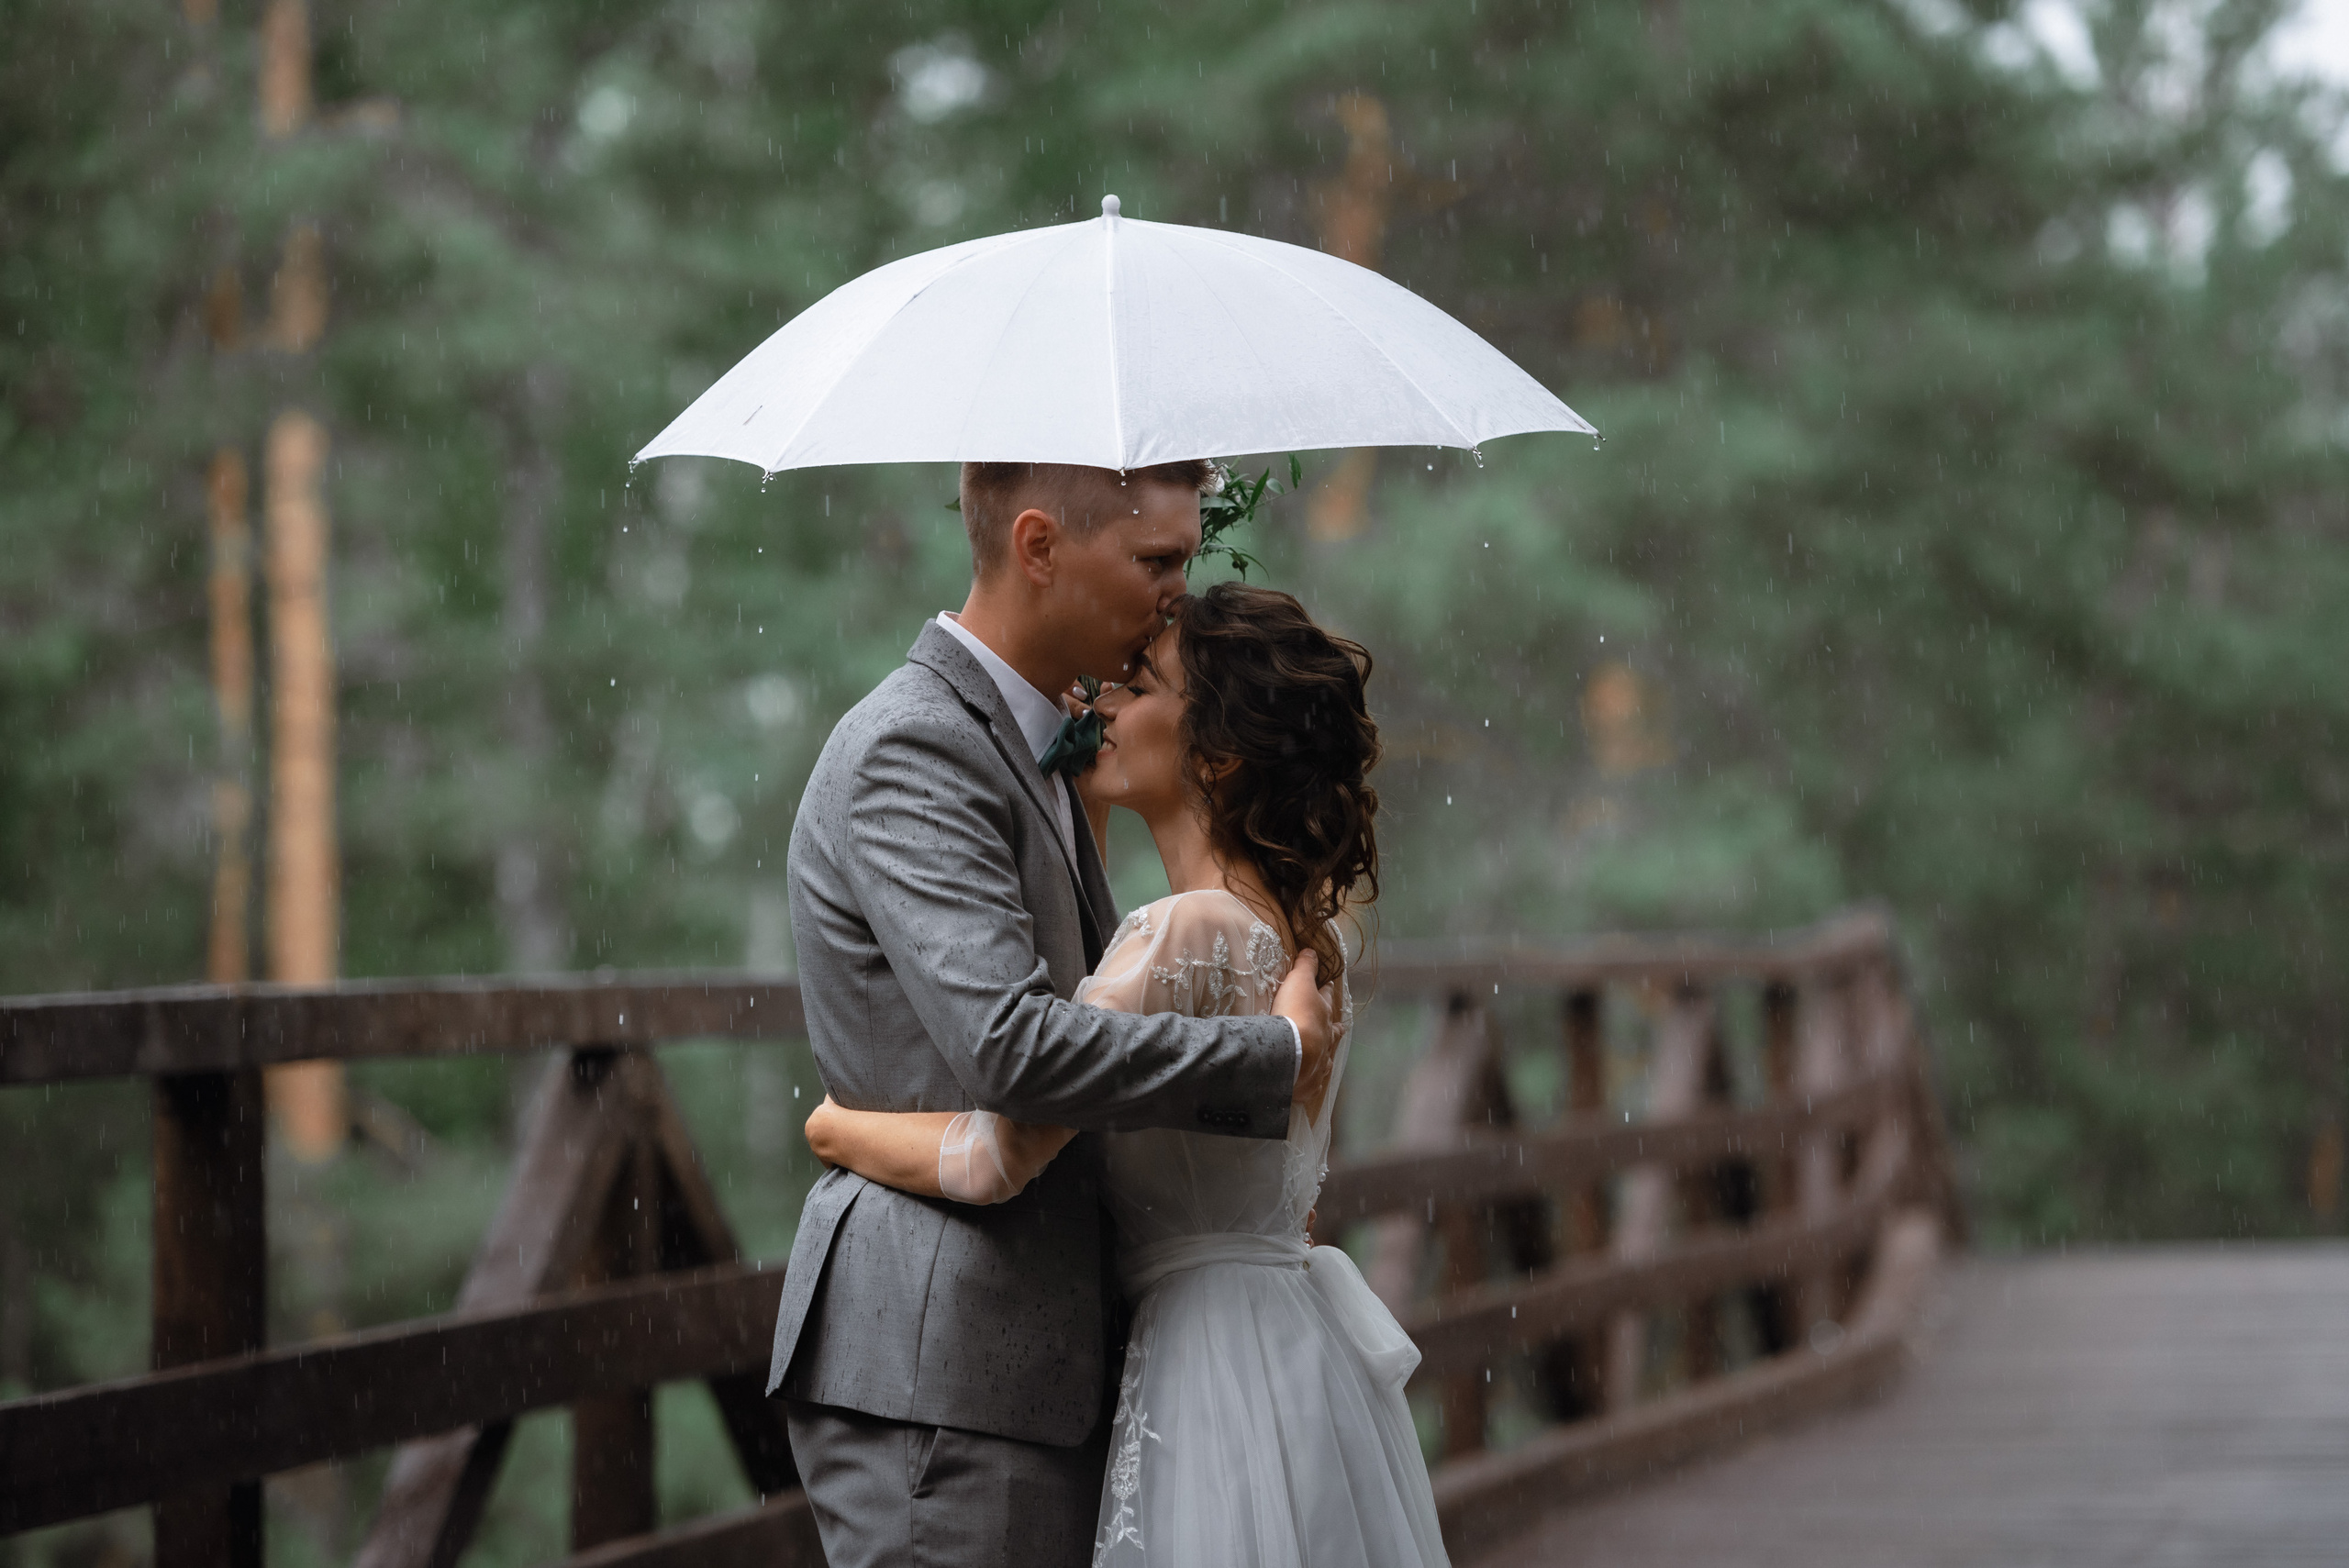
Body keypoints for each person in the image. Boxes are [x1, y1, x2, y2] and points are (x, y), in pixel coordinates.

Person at [805, 580, 1451, 1567]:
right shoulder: (1304, 953)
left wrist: (836, 1128)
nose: (1099, 700)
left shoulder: (1177, 932)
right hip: (1292, 1356)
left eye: (1139, 686)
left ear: (1216, 754)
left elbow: (1000, 1155)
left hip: (1200, 1371)